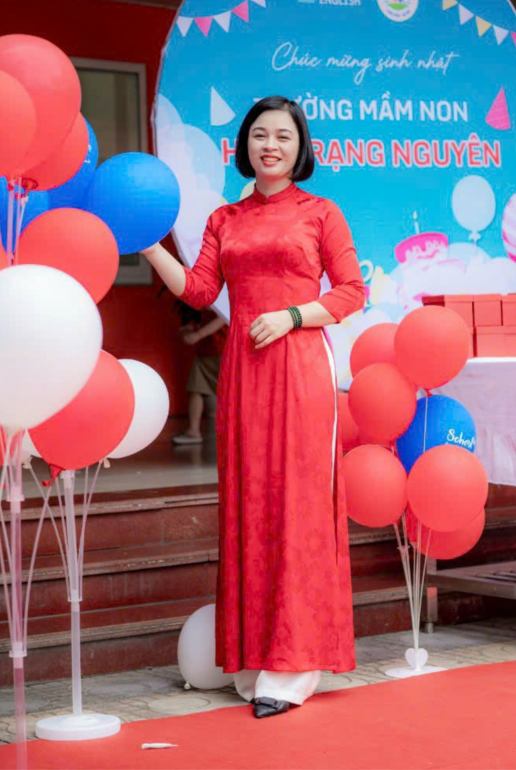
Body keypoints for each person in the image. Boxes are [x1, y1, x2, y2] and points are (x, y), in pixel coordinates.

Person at [142, 96, 365, 719]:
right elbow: (200, 290)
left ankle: (294, 664)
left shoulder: (321, 213)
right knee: (251, 505)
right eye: (260, 134)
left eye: (284, 136)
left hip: (301, 371)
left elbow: (352, 291)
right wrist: (147, 244)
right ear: (244, 144)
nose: (271, 145)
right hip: (244, 374)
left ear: (300, 148)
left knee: (298, 506)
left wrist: (293, 315)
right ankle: (254, 655)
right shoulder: (225, 219)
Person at [174, 303, 227, 446]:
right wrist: (192, 329)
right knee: (196, 388)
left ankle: (194, 431)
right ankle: (193, 430)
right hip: (208, 350)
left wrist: (198, 334)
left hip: (222, 348)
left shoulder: (224, 294)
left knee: (231, 392)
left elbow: (224, 317)